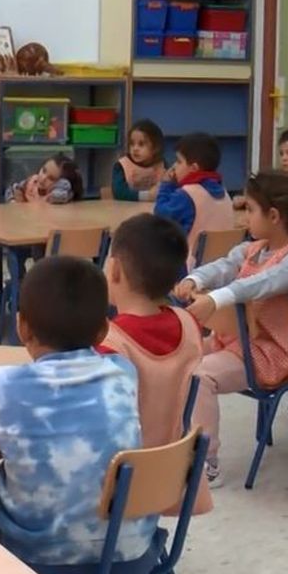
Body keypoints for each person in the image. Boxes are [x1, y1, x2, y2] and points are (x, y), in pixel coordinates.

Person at [0, 256, 151, 565]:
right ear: (104, 331)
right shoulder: (123, 373)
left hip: (37, 566)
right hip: (130, 558)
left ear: (22, 326)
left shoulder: (4, 387)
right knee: (1, 477)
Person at [176, 172, 288, 488]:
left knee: (199, 376)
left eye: (250, 209)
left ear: (273, 216)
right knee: (176, 358)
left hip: (277, 354)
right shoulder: (254, 248)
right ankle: (178, 446)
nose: (244, 216)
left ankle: (206, 463)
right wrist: (196, 280)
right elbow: (223, 266)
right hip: (240, 343)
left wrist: (215, 300)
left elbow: (257, 285)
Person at [99, 213, 213, 516]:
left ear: (115, 269)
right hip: (172, 478)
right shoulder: (189, 324)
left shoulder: (109, 344)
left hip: (117, 487)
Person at [154, 132, 235, 270]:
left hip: (190, 270)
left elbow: (160, 215)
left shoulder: (187, 195)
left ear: (194, 169)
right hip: (223, 268)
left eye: (179, 161)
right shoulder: (225, 193)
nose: (174, 166)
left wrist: (166, 185)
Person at [111, 120, 167, 201]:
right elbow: (119, 193)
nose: (135, 149)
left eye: (141, 144)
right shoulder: (122, 166)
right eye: (132, 144)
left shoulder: (161, 164)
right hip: (125, 209)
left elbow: (169, 187)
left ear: (155, 147)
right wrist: (147, 196)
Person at [8, 153, 82, 204]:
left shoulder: (59, 196)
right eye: (44, 170)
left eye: (51, 178)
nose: (43, 178)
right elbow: (12, 189)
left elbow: (61, 195)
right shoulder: (32, 182)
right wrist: (13, 201)